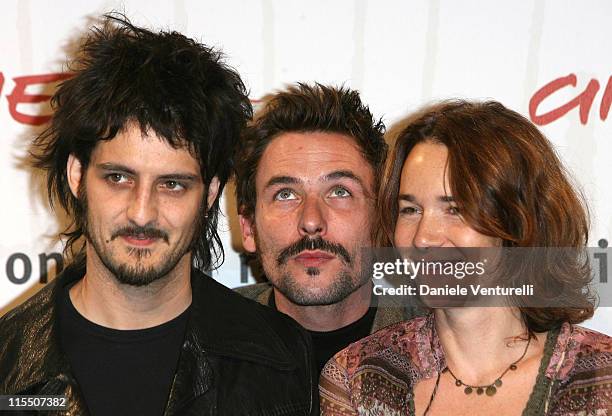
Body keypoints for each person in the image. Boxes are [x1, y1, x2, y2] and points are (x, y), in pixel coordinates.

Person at [0, 14, 318, 416]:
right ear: (77, 176)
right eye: (118, 177)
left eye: (172, 184)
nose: (141, 211)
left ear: (211, 194)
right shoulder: (8, 364)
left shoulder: (279, 358)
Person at [319, 100, 612, 415]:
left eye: (455, 209)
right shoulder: (358, 377)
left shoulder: (600, 379)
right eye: (410, 210)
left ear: (518, 221)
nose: (423, 237)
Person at [234, 83, 422, 374]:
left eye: (339, 192)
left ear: (382, 218)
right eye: (285, 194)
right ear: (248, 228)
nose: (311, 221)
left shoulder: (441, 349)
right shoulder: (201, 338)